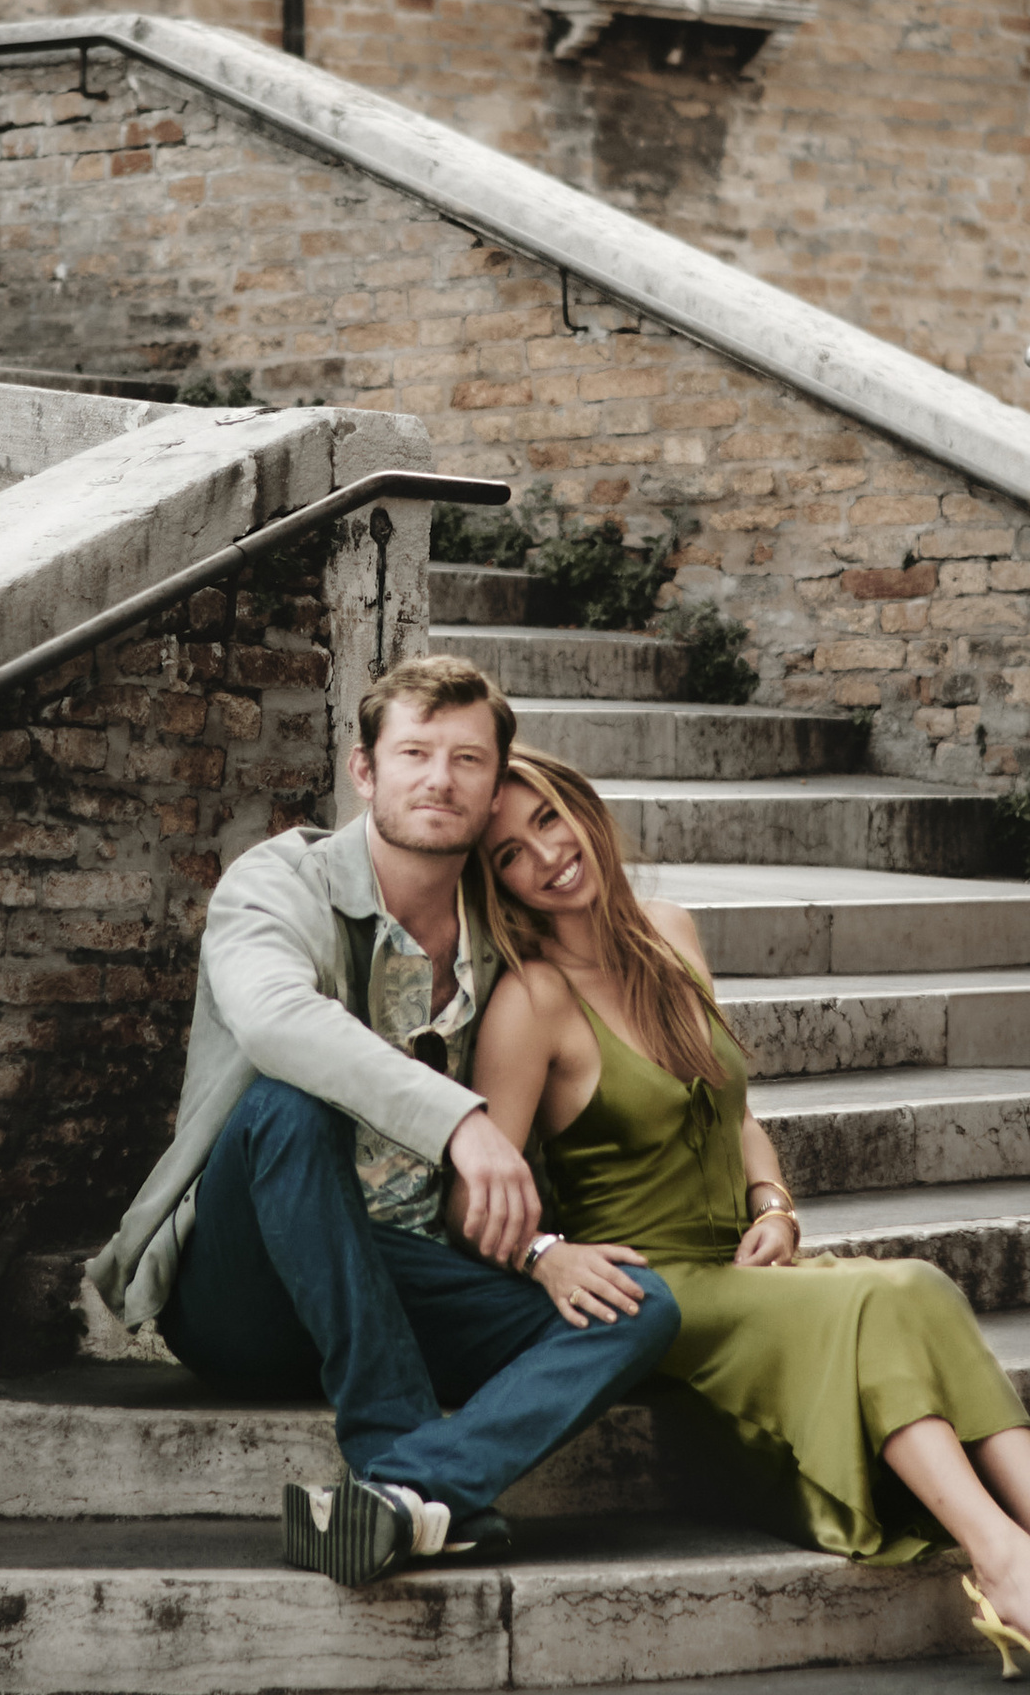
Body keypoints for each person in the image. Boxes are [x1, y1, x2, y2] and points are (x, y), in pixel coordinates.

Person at [470, 748, 1030, 1676]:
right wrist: (548, 1253)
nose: (545, 854)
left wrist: (776, 1203)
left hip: (745, 1265)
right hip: (662, 1295)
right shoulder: (532, 999)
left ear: (583, 807)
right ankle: (1005, 1569)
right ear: (500, 886)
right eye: (511, 853)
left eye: (548, 818)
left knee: (917, 1285)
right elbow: (478, 1185)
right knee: (875, 1303)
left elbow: (735, 1111)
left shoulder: (670, 933)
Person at [85, 661, 681, 1588]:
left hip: (404, 1272)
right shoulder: (276, 882)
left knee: (637, 1307)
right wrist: (462, 1124)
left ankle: (405, 1494)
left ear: (493, 791)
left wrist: (544, 1251)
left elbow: (636, 1001)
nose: (439, 779)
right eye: (414, 753)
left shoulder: (505, 936)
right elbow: (279, 1019)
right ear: (365, 771)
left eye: (466, 760)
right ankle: (393, 1439)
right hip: (245, 1288)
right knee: (285, 1098)